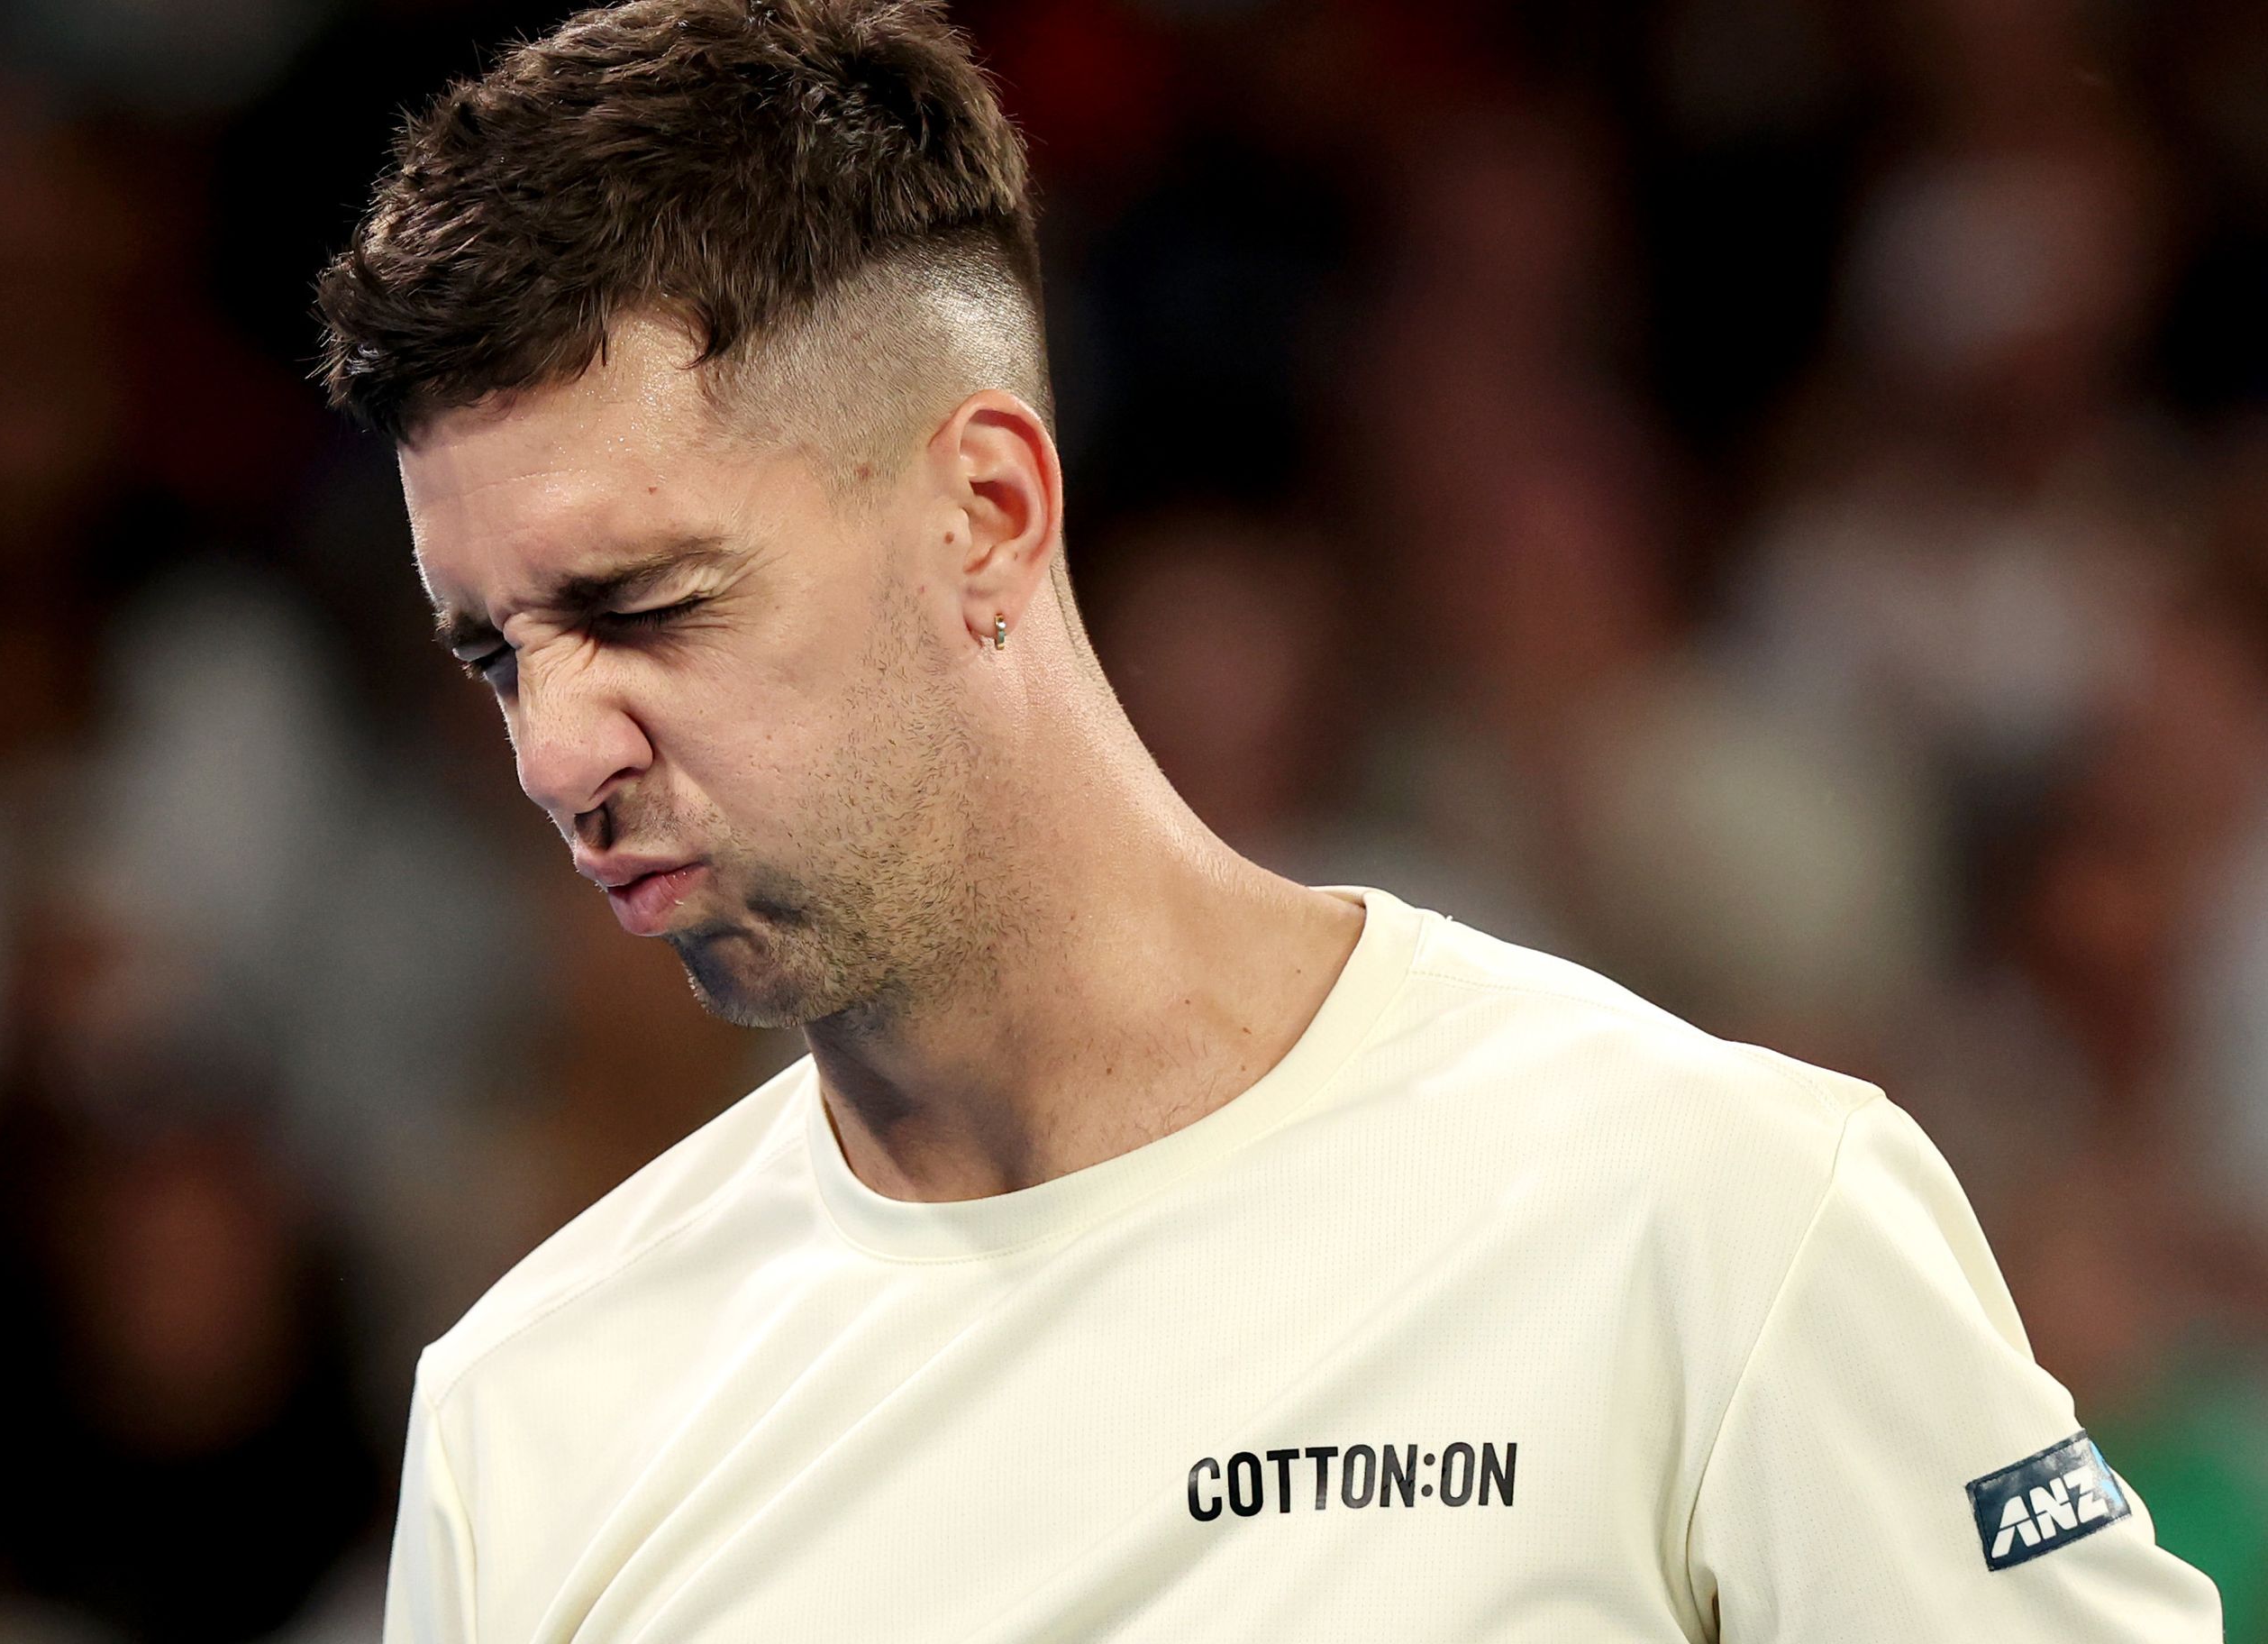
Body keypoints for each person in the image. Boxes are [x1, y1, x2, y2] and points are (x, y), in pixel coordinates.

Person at [308, 2, 2227, 1638]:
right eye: (493, 654)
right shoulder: (529, 1421)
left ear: (983, 511)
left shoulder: (1712, 1211)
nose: (555, 752)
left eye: (644, 607)